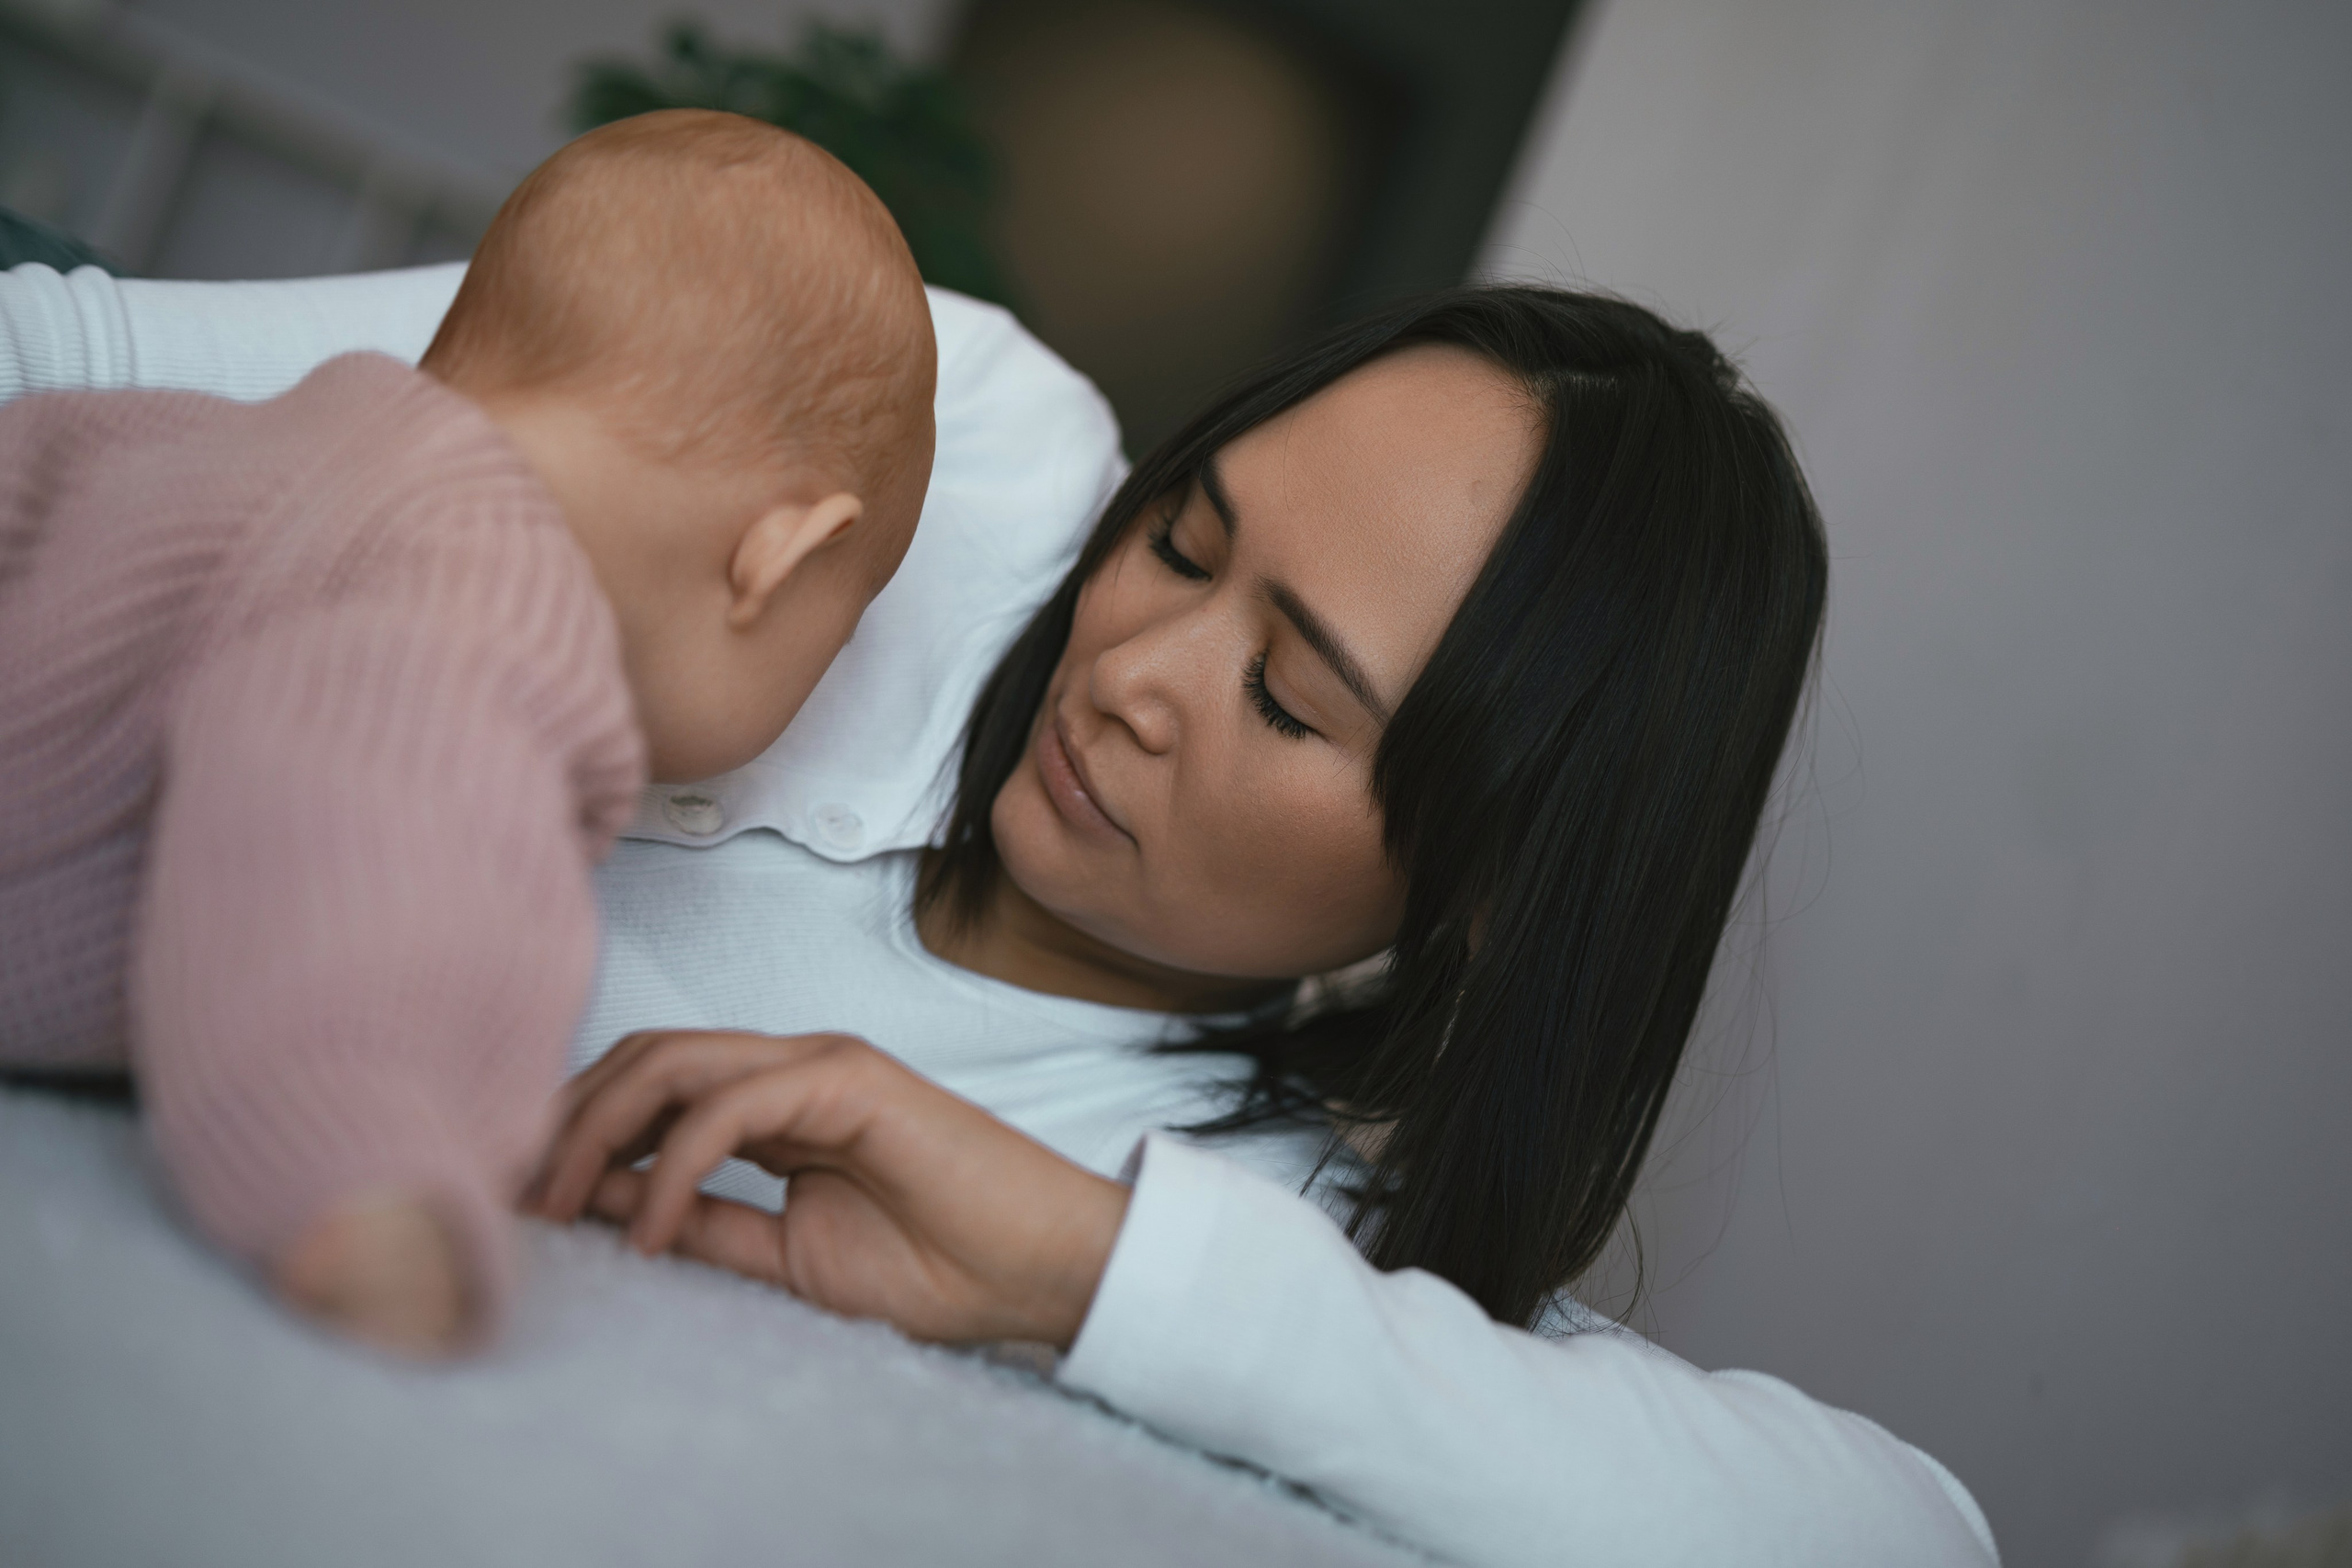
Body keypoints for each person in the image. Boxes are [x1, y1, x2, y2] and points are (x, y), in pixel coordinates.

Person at [0, 261, 1998, 1567]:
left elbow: (1902, 1537)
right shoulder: (941, 448)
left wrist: (1086, 1268)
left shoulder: (1253, 1219)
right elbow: (77, 364)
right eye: (1183, 539)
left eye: (1287, 701)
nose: (1130, 668)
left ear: (1482, 893)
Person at [0, 109, 935, 1355]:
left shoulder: (255, 438)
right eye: (842, 631)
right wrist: (363, 1167)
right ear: (780, 556)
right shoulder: (495, 593)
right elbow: (354, 859)